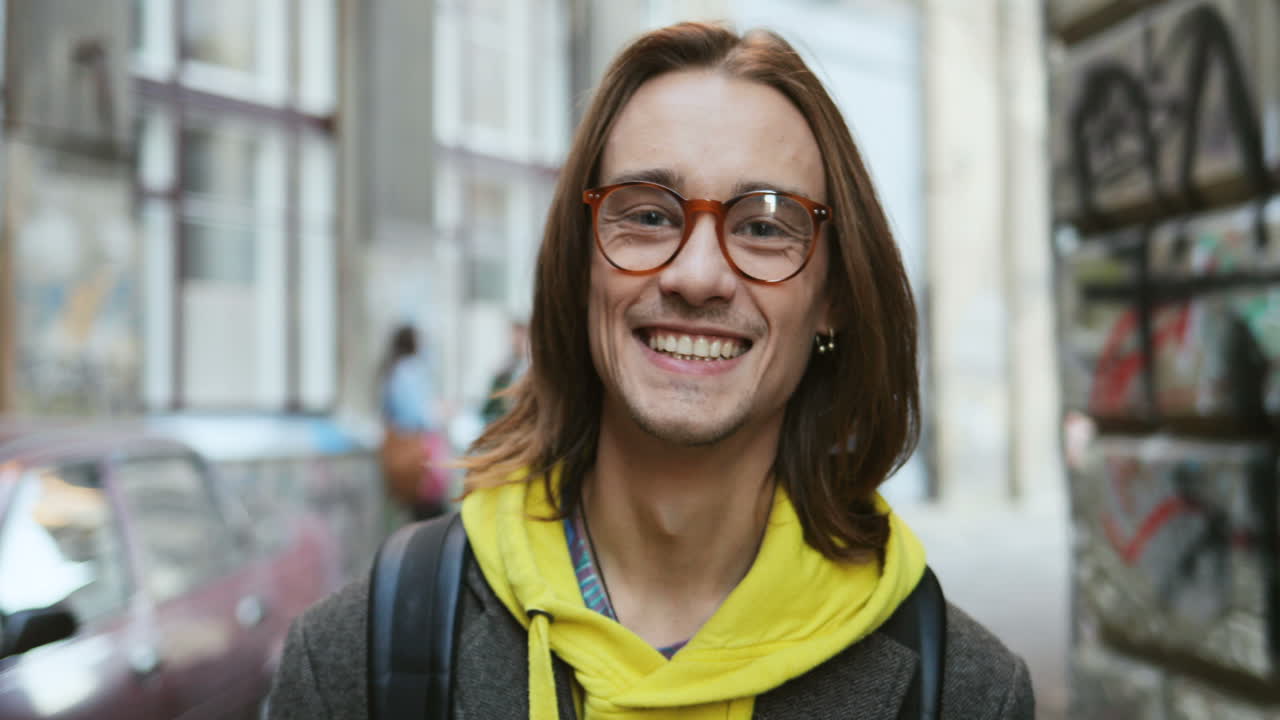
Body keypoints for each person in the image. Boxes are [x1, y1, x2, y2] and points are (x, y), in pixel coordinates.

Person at [270, 22, 1034, 719]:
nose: (697, 275)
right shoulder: (364, 660)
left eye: (765, 225)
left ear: (833, 296)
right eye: (648, 214)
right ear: (580, 264)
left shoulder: (962, 694)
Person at [376, 324, 450, 521]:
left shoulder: (392, 369)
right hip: (416, 451)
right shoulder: (409, 370)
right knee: (430, 514)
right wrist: (440, 413)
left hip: (402, 452)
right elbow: (418, 415)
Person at [480, 319, 529, 425]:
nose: (516, 341)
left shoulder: (531, 371)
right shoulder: (504, 372)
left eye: (521, 336)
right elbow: (488, 409)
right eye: (514, 336)